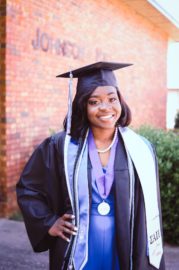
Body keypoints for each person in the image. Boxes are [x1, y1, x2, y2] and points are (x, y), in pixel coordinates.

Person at [16, 62, 165, 270]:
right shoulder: (60, 146)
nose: (105, 107)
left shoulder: (139, 149)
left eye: (112, 99)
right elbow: (29, 188)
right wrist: (48, 222)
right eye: (94, 102)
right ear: (82, 106)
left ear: (120, 101)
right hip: (79, 246)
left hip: (126, 245)